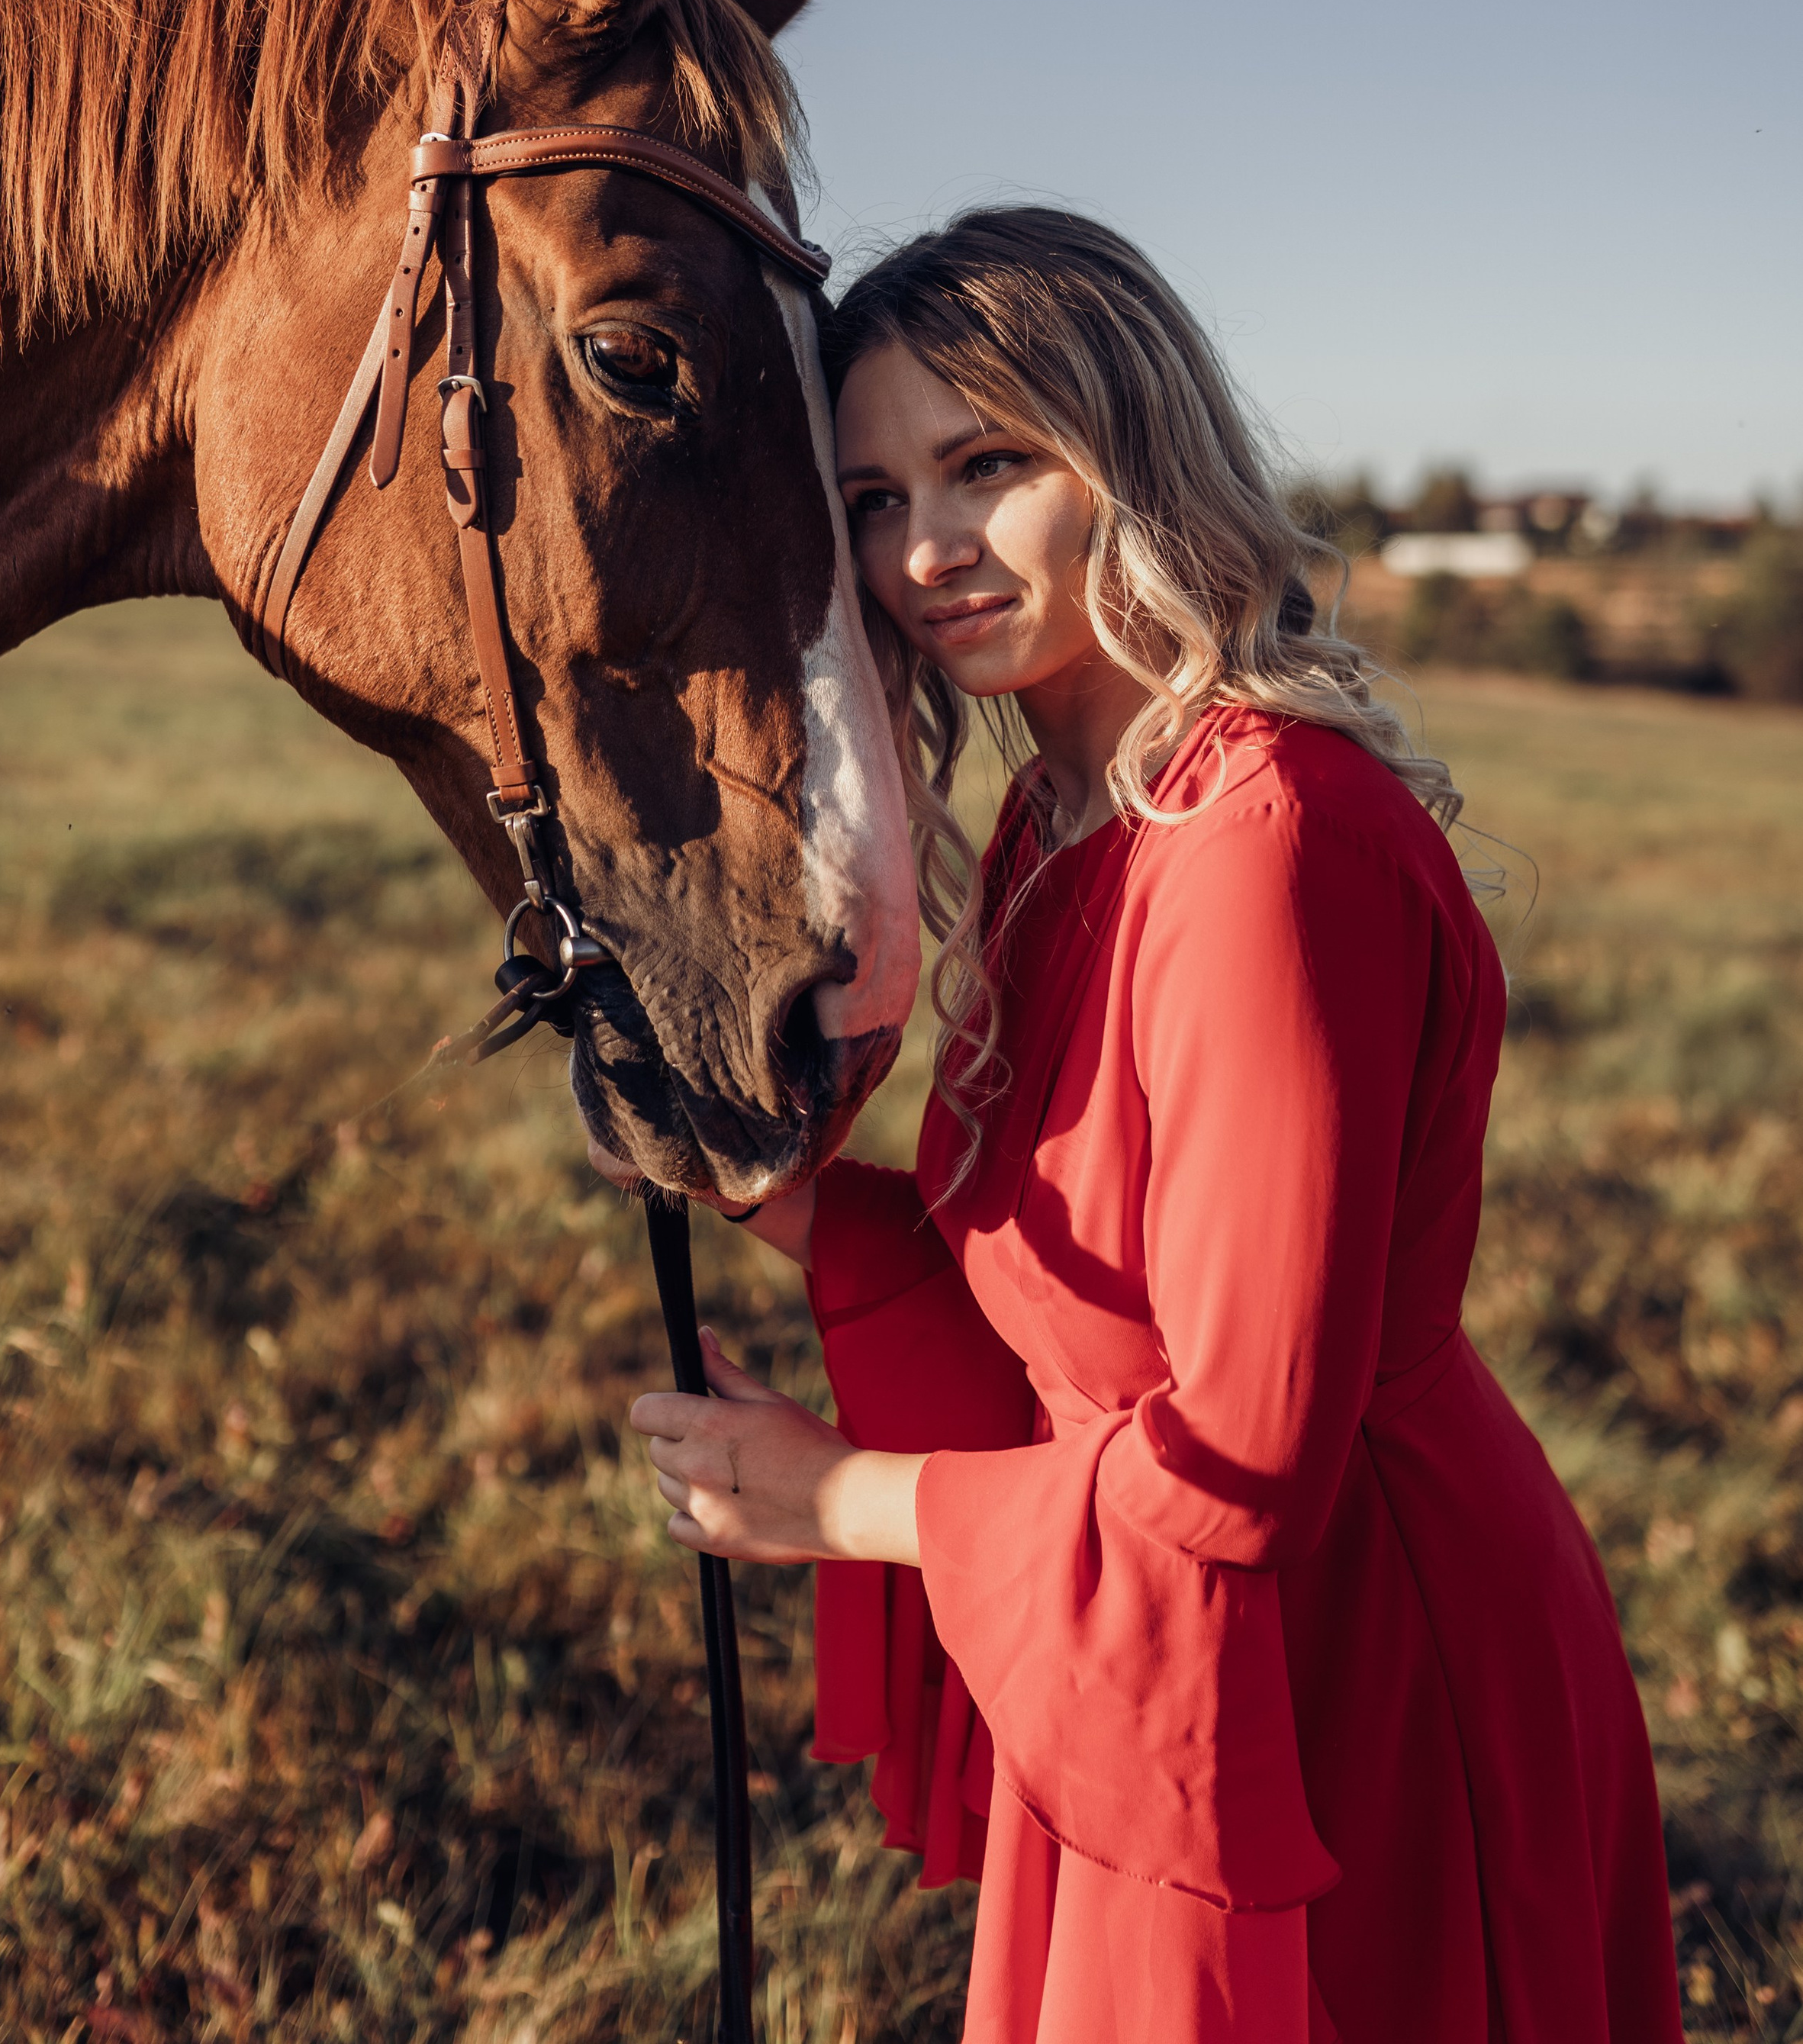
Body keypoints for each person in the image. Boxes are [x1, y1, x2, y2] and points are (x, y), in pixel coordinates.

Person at [617, 207, 1682, 2044]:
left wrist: (837, 1499)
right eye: (870, 498)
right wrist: (759, 1183)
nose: (924, 548)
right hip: (1147, 1618)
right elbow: (1073, 1282)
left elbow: (1237, 1453)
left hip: (1341, 1661)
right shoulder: (1063, 817)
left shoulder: (1268, 844)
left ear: (1132, 457)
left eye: (985, 464)